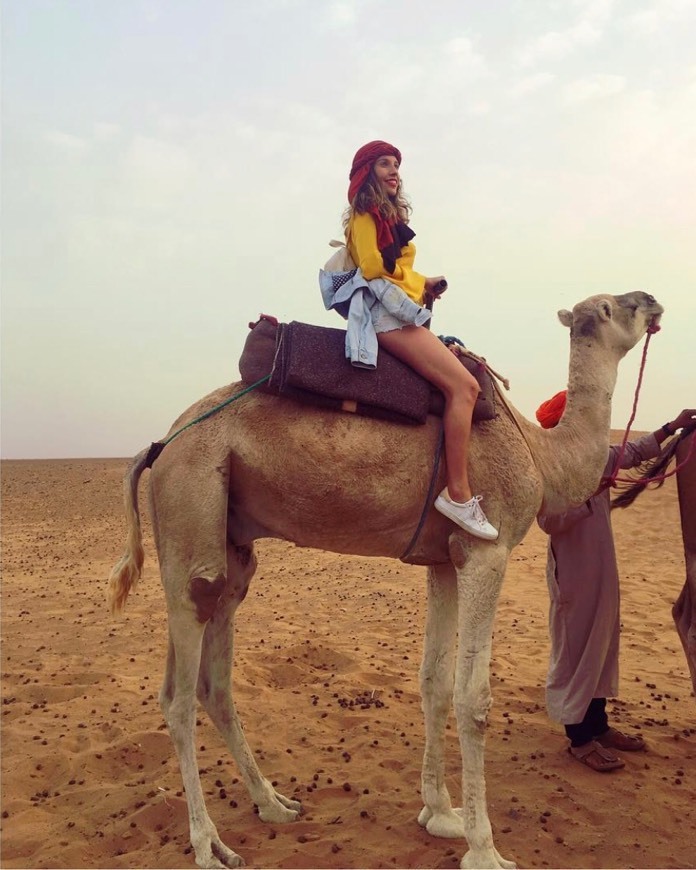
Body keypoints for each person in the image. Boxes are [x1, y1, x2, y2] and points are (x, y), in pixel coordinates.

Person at [338, 139, 497, 541]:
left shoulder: (386, 219)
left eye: (396, 165)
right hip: (386, 318)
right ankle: (457, 493)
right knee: (465, 387)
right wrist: (416, 282)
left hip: (398, 311)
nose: (394, 171)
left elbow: (391, 269)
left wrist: (423, 283)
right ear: (367, 173)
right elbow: (374, 270)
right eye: (384, 165)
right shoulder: (364, 216)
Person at [535, 392, 696, 771]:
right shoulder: (554, 468)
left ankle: (600, 726)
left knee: (601, 646)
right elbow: (548, 520)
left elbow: (633, 453)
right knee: (577, 649)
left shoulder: (594, 458)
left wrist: (671, 427)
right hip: (573, 575)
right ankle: (579, 739)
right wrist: (590, 490)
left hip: (601, 571)